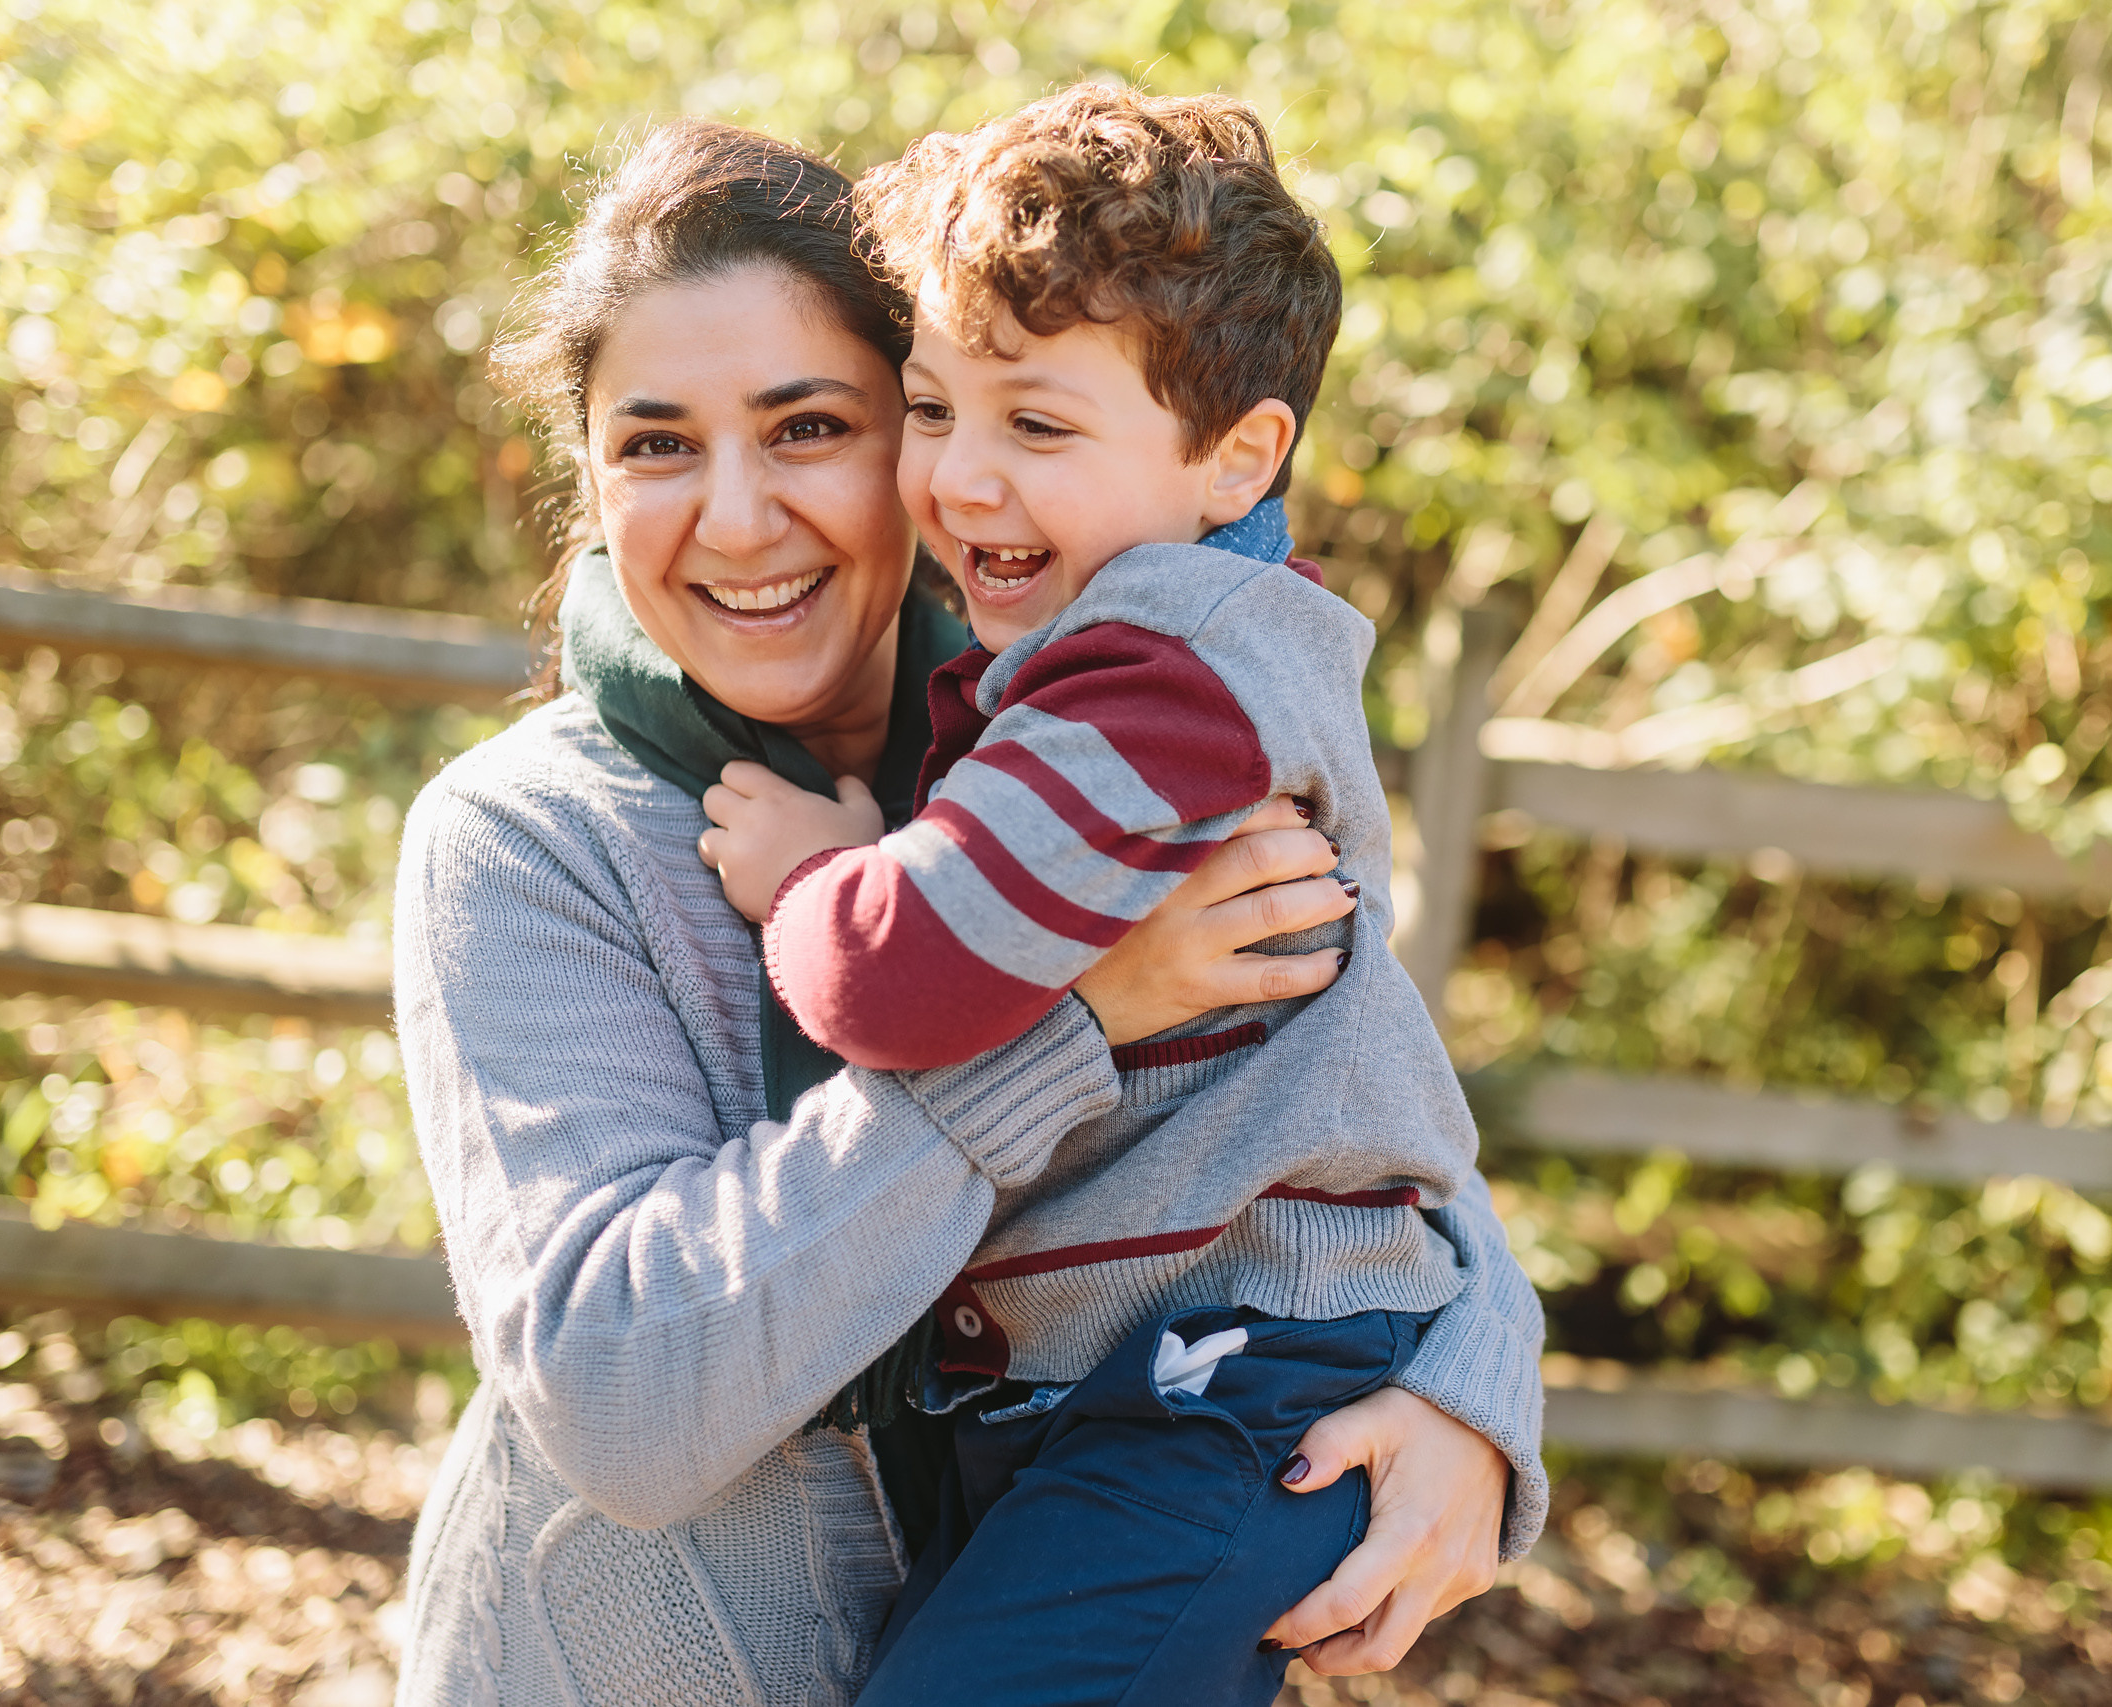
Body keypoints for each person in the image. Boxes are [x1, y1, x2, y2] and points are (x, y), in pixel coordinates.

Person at [391, 117, 1548, 1707]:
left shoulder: (1086, 745)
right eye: (656, 444)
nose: (731, 517)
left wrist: (1477, 1399)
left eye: (810, 426)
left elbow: (1340, 1100)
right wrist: (1071, 1027)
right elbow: (620, 1399)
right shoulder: (527, 839)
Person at [690, 88, 1490, 1707]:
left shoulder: (1161, 674)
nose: (963, 482)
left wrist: (812, 880)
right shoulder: (1158, 647)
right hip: (1160, 1387)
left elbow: (894, 977)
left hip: (1223, 1395)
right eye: (932, 409)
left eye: (1038, 429)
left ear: (1236, 457)